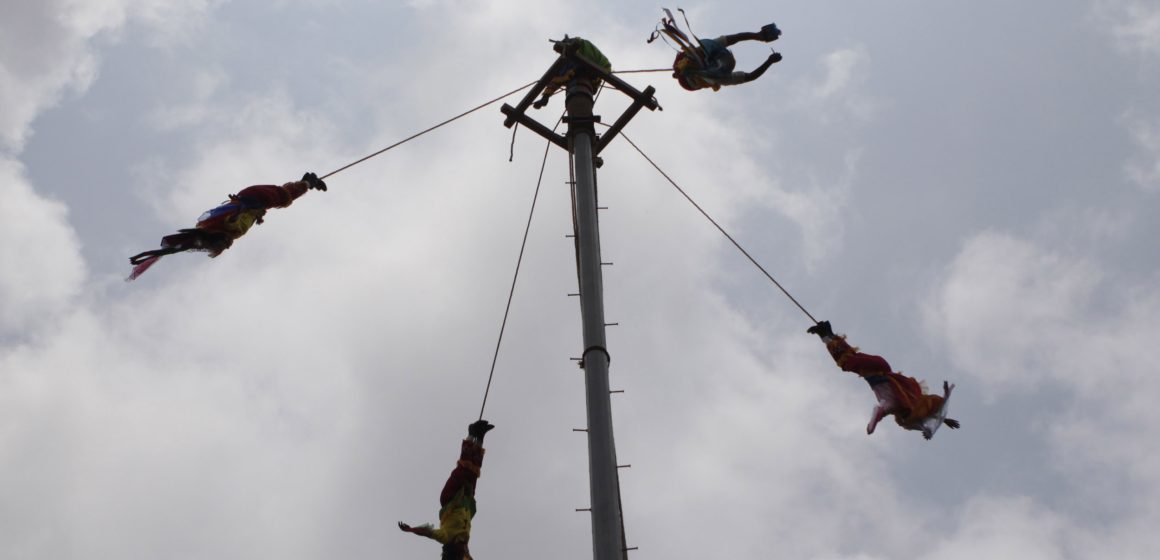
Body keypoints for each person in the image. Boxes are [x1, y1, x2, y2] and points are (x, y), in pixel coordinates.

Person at [127, 172, 327, 280]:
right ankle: (306, 183)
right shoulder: (221, 231)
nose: (228, 246)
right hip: (252, 199)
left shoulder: (225, 228)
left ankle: (307, 182)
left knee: (282, 199)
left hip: (253, 198)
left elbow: (221, 226)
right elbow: (183, 244)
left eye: (223, 245)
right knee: (281, 199)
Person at [807, 321, 960, 439]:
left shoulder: (908, 400)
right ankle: (826, 335)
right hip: (878, 370)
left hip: (882, 366)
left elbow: (932, 415)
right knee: (847, 363)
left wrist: (941, 421)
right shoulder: (894, 405)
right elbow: (878, 413)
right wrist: (871, 426)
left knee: (851, 358)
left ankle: (827, 333)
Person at [399, 420, 495, 560]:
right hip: (466, 501)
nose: (464, 549)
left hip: (451, 498)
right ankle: (479, 437)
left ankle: (471, 433)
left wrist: (411, 529)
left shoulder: (446, 537)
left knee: (463, 469)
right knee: (473, 472)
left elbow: (428, 532)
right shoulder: (464, 548)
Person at [649, 9, 782, 92]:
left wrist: (769, 59)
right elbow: (735, 39)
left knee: (715, 68)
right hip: (692, 67)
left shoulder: (722, 75)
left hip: (694, 78)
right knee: (708, 49)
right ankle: (693, 67)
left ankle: (694, 69)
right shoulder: (712, 49)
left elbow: (751, 76)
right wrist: (758, 37)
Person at [532, 36, 612, 110]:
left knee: (579, 71)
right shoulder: (566, 61)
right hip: (578, 81)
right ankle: (545, 98)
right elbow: (555, 80)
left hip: (594, 71)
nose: (560, 53)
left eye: (560, 50)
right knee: (562, 75)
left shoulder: (581, 45)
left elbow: (597, 62)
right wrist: (545, 98)